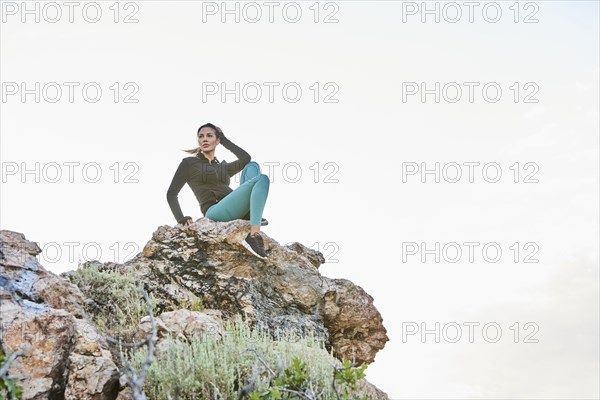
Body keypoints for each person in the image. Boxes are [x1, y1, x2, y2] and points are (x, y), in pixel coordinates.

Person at [166, 123, 271, 258]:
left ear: (217, 140)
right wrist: (181, 218)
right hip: (215, 211)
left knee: (252, 166)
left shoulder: (222, 167)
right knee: (261, 179)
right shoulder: (189, 163)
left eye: (209, 136)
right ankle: (254, 235)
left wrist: (225, 141)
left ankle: (250, 214)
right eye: (201, 136)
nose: (204, 139)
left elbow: (246, 158)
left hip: (233, 207)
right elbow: (172, 193)